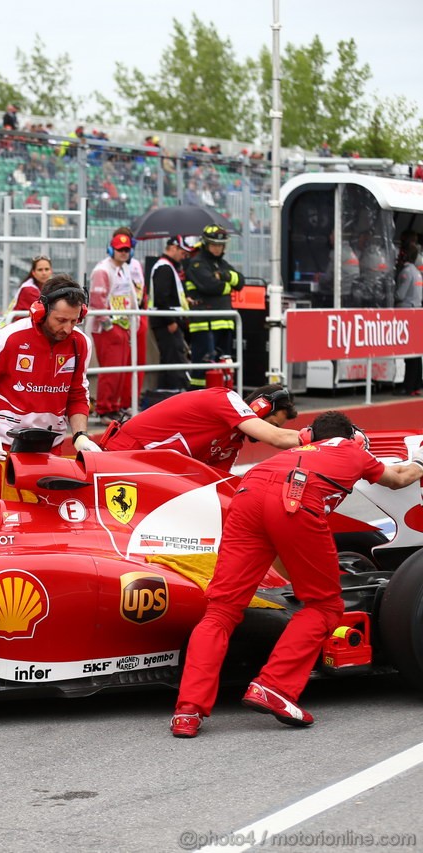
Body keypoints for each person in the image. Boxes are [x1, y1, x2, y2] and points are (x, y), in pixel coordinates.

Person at [170, 411, 423, 737]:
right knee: (325, 606)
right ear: (353, 437)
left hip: (247, 497)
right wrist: (419, 462)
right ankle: (274, 686)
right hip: (294, 500)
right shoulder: (352, 450)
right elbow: (399, 478)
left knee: (221, 610)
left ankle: (187, 712)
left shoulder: (292, 452)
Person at [0, 276, 96, 503]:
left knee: (46, 522)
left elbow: (77, 393)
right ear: (41, 310)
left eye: (74, 321)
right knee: (0, 524)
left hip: (52, 450)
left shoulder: (81, 343)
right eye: (61, 320)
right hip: (3, 450)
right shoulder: (8, 339)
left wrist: (80, 436)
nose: (68, 329)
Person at [98, 384, 301, 470]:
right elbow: (278, 438)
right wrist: (321, 437)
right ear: (260, 407)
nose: (272, 430)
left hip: (142, 466)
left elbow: (216, 484)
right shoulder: (226, 398)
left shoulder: (232, 442)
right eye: (273, 424)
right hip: (123, 456)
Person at [87, 231, 143, 419]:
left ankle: (113, 406)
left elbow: (130, 297)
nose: (124, 253)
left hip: (124, 325)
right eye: (120, 250)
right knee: (110, 371)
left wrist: (133, 321)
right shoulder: (102, 270)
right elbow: (97, 300)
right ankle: (104, 409)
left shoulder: (125, 268)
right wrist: (109, 325)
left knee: (120, 371)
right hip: (108, 328)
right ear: (111, 249)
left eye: (126, 250)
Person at [184, 224, 243, 388]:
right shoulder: (197, 264)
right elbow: (210, 286)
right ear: (205, 243)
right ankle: (197, 400)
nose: (217, 249)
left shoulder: (222, 265)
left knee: (223, 367)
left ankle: (220, 402)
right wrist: (228, 286)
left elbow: (241, 282)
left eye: (220, 245)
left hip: (224, 323)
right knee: (204, 370)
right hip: (204, 324)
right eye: (214, 245)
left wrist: (224, 276)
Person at [147, 234, 199, 390]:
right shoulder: (164, 267)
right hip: (167, 322)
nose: (184, 257)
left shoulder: (167, 267)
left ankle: (167, 392)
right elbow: (161, 298)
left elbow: (168, 296)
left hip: (168, 320)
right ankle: (174, 392)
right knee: (174, 359)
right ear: (174, 248)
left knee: (171, 359)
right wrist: (171, 321)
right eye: (183, 252)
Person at [394, 233, 422, 395]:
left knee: (409, 353)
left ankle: (408, 386)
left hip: (406, 315)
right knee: (416, 353)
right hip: (416, 312)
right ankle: (416, 384)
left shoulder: (406, 272)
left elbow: (400, 295)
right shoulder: (418, 273)